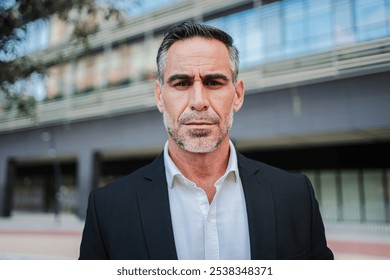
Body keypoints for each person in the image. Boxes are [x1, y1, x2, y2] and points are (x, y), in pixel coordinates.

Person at [79, 21, 334, 260]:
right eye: (181, 83)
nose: (198, 101)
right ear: (159, 96)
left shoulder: (295, 195)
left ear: (237, 95)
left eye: (213, 82)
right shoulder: (108, 208)